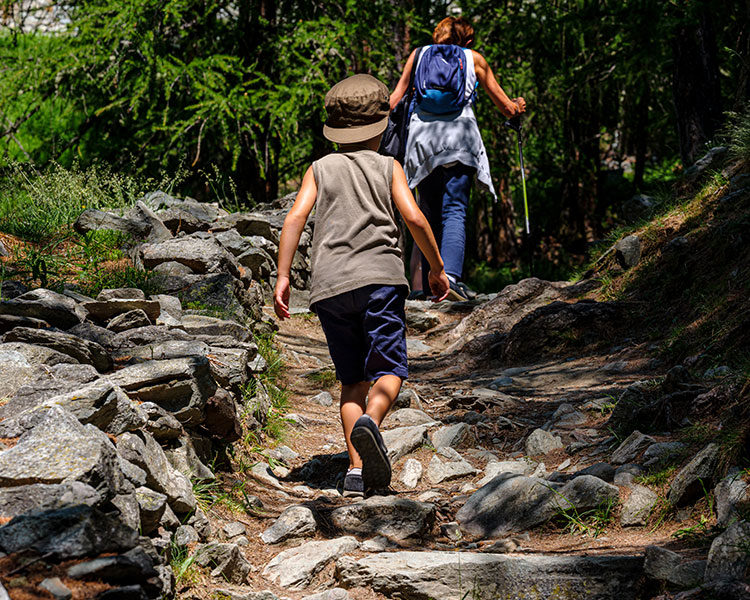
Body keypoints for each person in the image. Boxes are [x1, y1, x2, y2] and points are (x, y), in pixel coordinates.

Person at [273, 74, 450, 497]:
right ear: (381, 126)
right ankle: (373, 419)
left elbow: (295, 218)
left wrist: (282, 276)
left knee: (351, 379)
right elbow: (414, 218)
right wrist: (436, 267)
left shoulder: (319, 168)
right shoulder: (389, 166)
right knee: (390, 369)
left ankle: (356, 470)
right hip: (381, 281)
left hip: (330, 287)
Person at [390, 16, 527, 301]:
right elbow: (505, 107)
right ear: (467, 41)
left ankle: (431, 286)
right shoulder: (473, 58)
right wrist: (517, 107)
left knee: (426, 212)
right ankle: (450, 278)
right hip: (460, 141)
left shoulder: (418, 55)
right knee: (454, 210)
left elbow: (394, 99)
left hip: (422, 143)